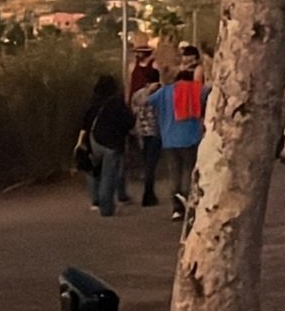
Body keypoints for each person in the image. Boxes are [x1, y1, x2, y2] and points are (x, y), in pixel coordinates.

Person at [149, 58, 207, 221]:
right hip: (191, 138)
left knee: (174, 173)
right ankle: (188, 202)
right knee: (189, 172)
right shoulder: (196, 90)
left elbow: (148, 101)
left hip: (169, 140)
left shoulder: (166, 91)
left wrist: (154, 88)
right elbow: (210, 92)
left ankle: (176, 208)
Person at [78, 75, 135, 218]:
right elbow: (129, 121)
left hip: (94, 141)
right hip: (112, 143)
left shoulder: (93, 102)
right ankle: (106, 207)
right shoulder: (117, 103)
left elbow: (85, 124)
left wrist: (80, 143)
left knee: (93, 171)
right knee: (108, 176)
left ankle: (95, 200)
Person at [129, 70, 164, 207]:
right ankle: (148, 193)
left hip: (141, 132)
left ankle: (148, 190)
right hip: (156, 131)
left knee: (146, 162)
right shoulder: (160, 93)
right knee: (152, 164)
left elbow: (133, 111)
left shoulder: (137, 94)